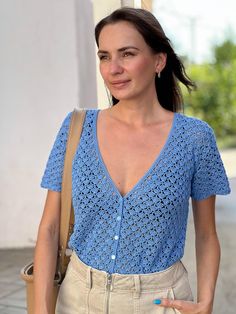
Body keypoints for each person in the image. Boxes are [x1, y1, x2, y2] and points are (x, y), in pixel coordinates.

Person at [33, 7, 230, 314]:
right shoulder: (76, 128)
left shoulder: (194, 138)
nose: (113, 68)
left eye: (127, 54)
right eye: (104, 56)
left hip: (161, 300)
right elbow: (48, 228)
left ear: (158, 61)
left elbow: (206, 233)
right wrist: (42, 310)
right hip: (79, 299)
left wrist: (206, 302)